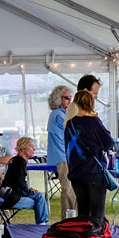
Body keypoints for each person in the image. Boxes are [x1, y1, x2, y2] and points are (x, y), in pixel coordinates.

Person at [65, 88, 116, 233]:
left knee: (83, 212)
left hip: (76, 173)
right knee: (97, 213)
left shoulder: (70, 124)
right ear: (91, 103)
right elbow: (108, 143)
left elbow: (67, 148)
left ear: (76, 103)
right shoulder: (94, 121)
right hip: (94, 172)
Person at [0, 137, 48, 224]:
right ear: (23, 148)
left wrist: (28, 189)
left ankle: (42, 224)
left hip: (8, 195)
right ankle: (42, 225)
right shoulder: (20, 162)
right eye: (31, 147)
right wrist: (28, 191)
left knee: (40, 199)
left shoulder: (14, 160)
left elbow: (17, 182)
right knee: (40, 199)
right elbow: (20, 183)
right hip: (12, 199)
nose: (34, 149)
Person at [45, 84, 77, 217]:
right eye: (67, 98)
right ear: (58, 99)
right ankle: (71, 219)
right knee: (68, 189)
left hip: (64, 156)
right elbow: (75, 129)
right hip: (63, 157)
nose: (70, 101)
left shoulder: (59, 114)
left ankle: (69, 219)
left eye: (71, 98)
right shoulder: (59, 115)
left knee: (68, 189)